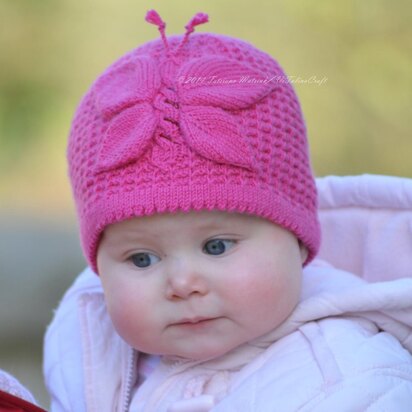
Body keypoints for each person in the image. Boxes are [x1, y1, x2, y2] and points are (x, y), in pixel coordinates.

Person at [43, 9, 412, 411]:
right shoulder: (87, 349)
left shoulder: (351, 382)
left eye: (217, 246)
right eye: (142, 258)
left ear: (299, 239)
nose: (183, 283)